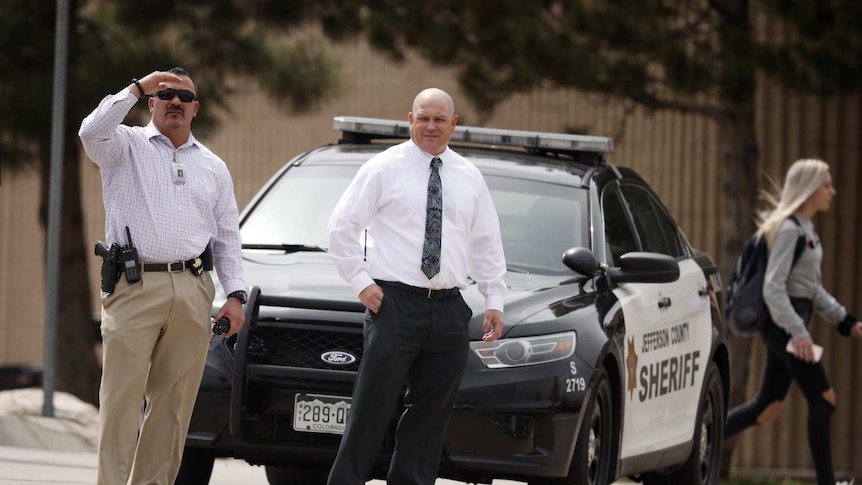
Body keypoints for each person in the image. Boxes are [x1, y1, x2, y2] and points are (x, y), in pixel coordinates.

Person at [326, 88, 507, 485]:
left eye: (439, 119)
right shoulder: (383, 168)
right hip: (394, 306)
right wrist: (362, 284)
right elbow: (341, 229)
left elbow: (486, 242)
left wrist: (494, 297)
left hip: (449, 312)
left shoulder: (469, 177)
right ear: (410, 119)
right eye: (423, 117)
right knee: (370, 412)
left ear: (454, 124)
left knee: (429, 421)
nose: (430, 126)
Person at [79, 68, 247, 485]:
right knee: (121, 402)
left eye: (183, 97)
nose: (174, 101)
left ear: (195, 108)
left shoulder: (213, 166)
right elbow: (89, 132)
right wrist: (138, 85)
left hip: (193, 288)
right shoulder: (123, 145)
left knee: (173, 409)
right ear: (151, 102)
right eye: (165, 93)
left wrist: (236, 294)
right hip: (134, 286)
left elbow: (227, 235)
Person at [725, 158, 862, 485]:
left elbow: (810, 289)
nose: (833, 191)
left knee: (768, 406)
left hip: (790, 324)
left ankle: (696, 438)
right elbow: (773, 288)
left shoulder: (805, 229)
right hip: (784, 326)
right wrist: (799, 334)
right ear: (809, 189)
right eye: (826, 185)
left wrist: (844, 320)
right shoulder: (788, 230)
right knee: (824, 398)